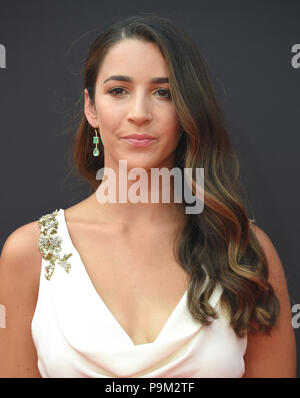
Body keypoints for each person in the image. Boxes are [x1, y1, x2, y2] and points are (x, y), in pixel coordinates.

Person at [0, 13, 296, 378]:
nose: (139, 113)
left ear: (188, 109)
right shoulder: (29, 253)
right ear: (91, 108)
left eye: (163, 93)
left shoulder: (244, 250)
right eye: (118, 91)